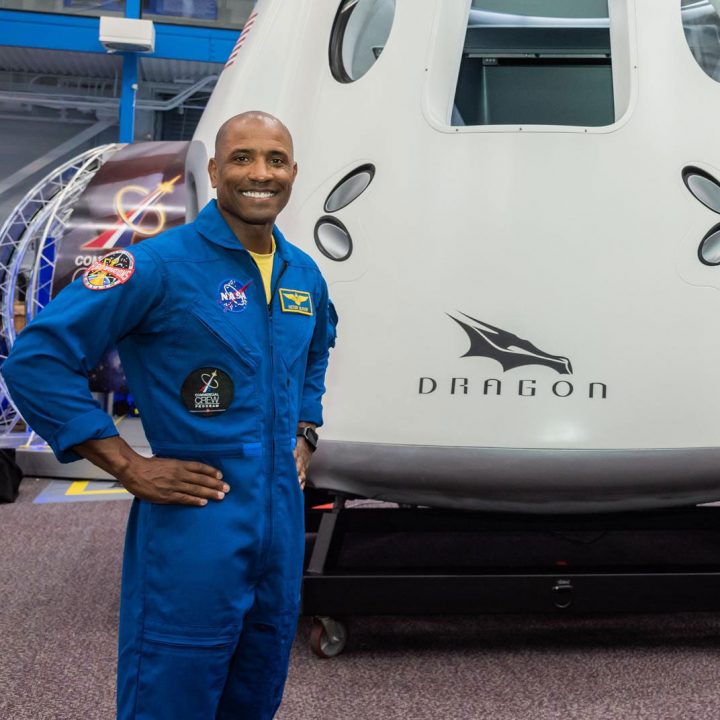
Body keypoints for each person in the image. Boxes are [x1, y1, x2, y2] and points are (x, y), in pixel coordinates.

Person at [2, 111, 335, 719]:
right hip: (193, 525)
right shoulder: (154, 265)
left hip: (281, 525)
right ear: (214, 171)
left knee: (256, 692)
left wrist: (305, 429)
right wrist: (128, 465)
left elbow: (317, 352)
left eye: (275, 160)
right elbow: (37, 360)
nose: (260, 173)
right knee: (172, 697)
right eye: (242, 158)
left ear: (292, 173)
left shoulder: (303, 274)